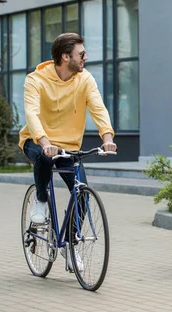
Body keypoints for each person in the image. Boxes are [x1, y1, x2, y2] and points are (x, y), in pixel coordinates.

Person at [19, 33, 117, 269]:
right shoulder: (35, 80)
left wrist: (107, 137)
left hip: (69, 147)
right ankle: (41, 200)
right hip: (37, 140)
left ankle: (70, 243)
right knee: (44, 157)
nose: (86, 57)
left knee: (82, 193)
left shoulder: (85, 79)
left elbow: (98, 108)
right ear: (65, 57)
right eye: (81, 54)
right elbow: (32, 113)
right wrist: (44, 142)